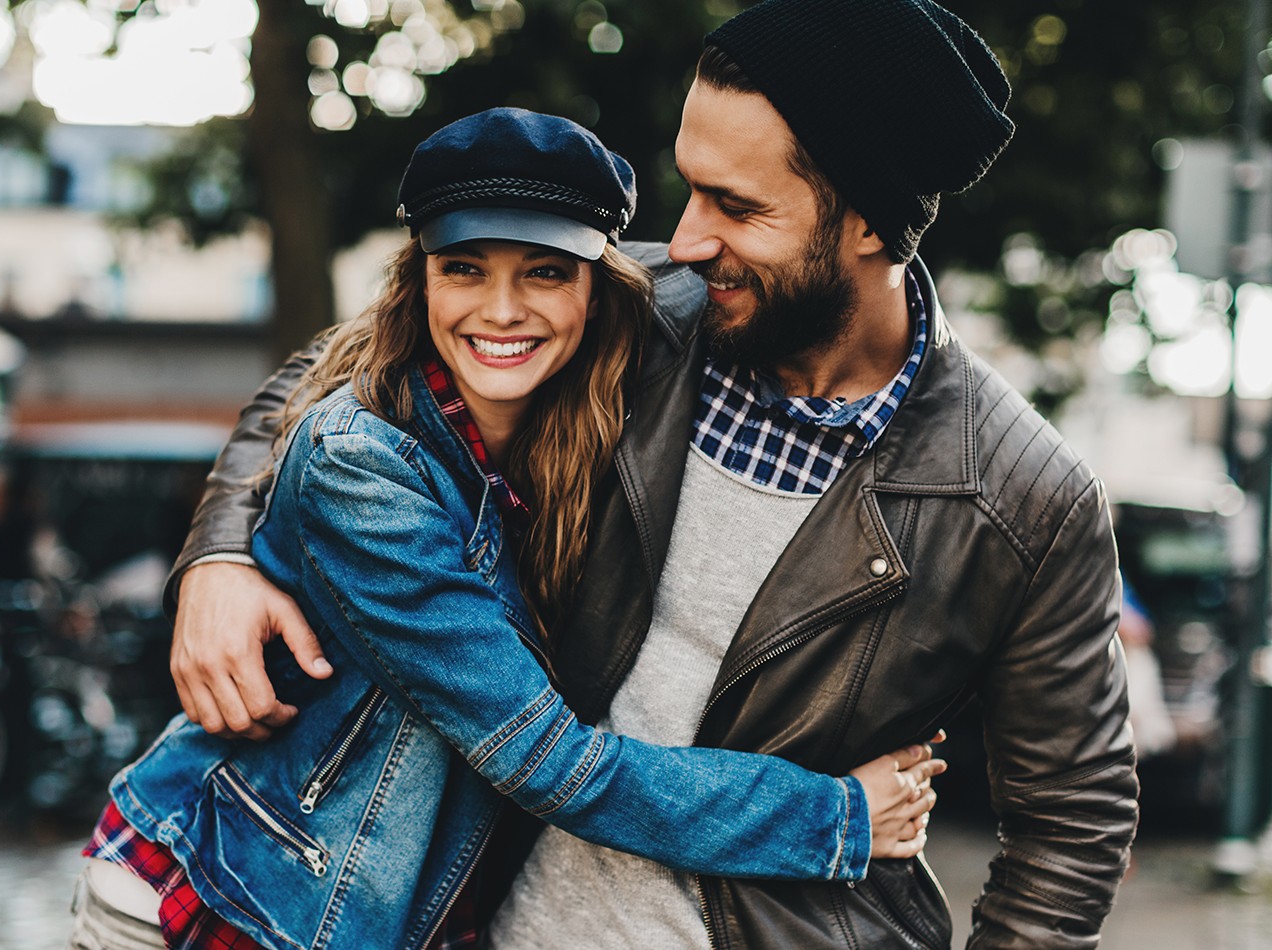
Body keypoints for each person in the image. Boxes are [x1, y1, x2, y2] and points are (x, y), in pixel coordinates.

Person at [167, 1, 1140, 946]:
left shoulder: (1025, 500)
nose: (684, 239)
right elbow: (346, 372)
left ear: (871, 227)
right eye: (691, 188)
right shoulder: (630, 307)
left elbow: (1073, 824)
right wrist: (220, 557)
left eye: (737, 206)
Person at [70, 108, 947, 950]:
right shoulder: (362, 470)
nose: (500, 310)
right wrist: (835, 818)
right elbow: (545, 759)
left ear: (597, 288)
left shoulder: (574, 413)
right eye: (464, 268)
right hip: (228, 892)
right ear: (419, 280)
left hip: (374, 904)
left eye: (544, 271)